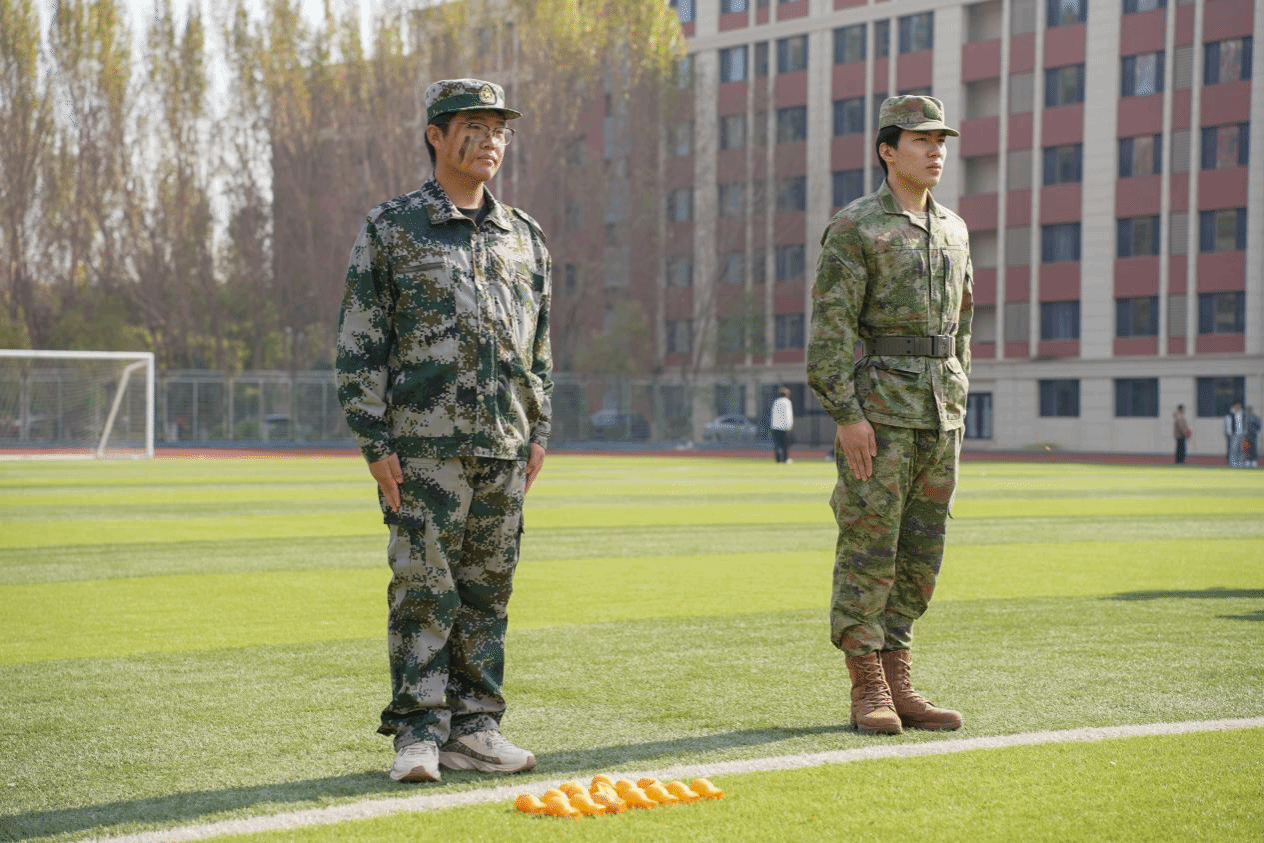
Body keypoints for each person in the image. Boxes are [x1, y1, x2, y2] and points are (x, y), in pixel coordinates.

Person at [336, 79, 552, 783]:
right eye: (474, 127)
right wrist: (375, 441)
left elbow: (539, 344)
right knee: (424, 588)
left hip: (505, 444)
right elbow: (360, 342)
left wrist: (538, 428)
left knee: (489, 592)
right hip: (423, 447)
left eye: (500, 129)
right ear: (436, 135)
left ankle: (477, 727)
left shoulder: (523, 236)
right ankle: (418, 733)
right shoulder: (393, 228)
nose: (491, 141)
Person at [807, 95, 972, 736]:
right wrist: (847, 415)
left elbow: (963, 327)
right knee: (868, 548)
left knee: (920, 553)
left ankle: (900, 677)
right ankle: (867, 684)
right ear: (887, 150)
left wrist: (958, 398)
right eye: (921, 140)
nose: (935, 151)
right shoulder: (856, 227)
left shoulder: (954, 229)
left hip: (940, 414)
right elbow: (831, 332)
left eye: (941, 141)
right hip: (880, 415)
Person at [770, 387, 795, 463]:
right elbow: (788, 414)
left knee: (777, 444)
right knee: (785, 444)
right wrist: (789, 425)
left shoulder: (776, 401)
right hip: (784, 427)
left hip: (775, 426)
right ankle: (785, 458)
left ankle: (778, 459)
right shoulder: (787, 402)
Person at [1224, 400, 1245, 468]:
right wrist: (1229, 433)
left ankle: (1240, 463)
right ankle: (1233, 463)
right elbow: (1228, 424)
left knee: (1241, 449)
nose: (1238, 407)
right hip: (1234, 434)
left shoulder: (1242, 413)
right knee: (1233, 449)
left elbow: (1244, 423)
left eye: (1239, 406)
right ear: (1234, 406)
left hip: (1241, 434)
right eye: (1237, 405)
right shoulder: (1230, 414)